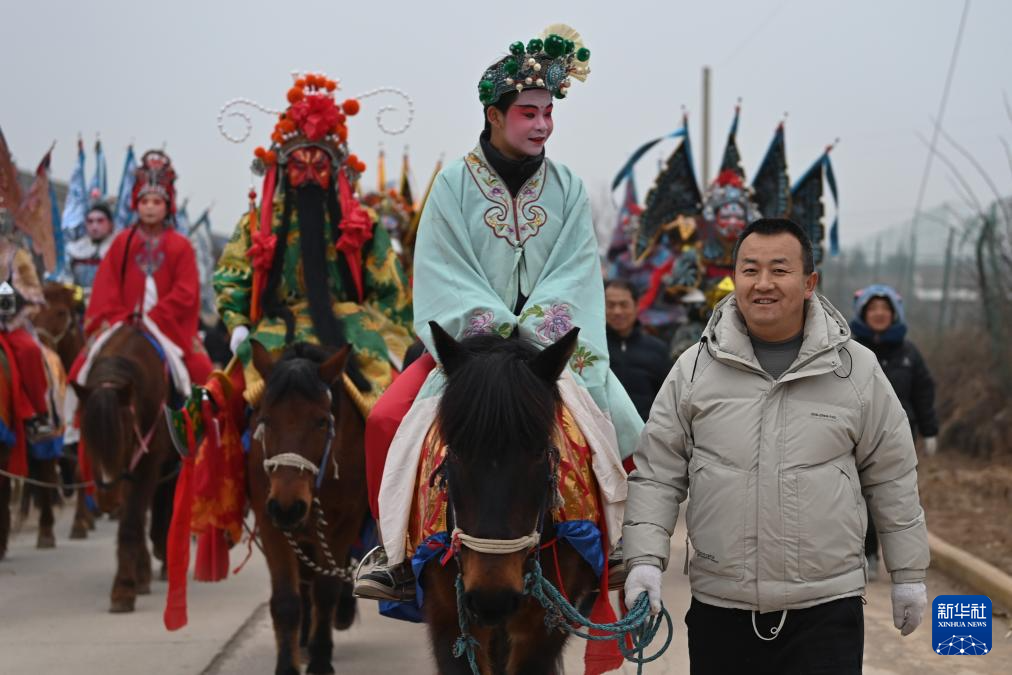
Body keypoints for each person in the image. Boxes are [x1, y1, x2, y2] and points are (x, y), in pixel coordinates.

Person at [357, 25, 640, 602]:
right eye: (528, 112)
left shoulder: (567, 187)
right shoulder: (452, 186)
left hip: (550, 351)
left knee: (627, 422)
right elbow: (442, 272)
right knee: (384, 419)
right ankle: (395, 555)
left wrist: (534, 334)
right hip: (468, 352)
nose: (541, 125)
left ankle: (623, 542)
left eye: (548, 113)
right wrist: (498, 332)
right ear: (494, 114)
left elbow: (575, 271)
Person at [623, 218, 930, 674]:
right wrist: (644, 560)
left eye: (779, 270)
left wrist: (907, 575)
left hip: (826, 608)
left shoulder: (856, 370)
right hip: (721, 608)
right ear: (735, 278)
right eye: (750, 270)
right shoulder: (694, 369)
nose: (763, 283)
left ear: (809, 283)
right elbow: (657, 472)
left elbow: (892, 474)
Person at [77, 150, 213, 387]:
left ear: (167, 205)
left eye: (156, 202)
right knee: (80, 369)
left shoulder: (181, 246)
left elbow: (186, 292)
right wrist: (123, 317)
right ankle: (73, 423)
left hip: (168, 327)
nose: (150, 207)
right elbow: (107, 286)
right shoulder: (122, 241)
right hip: (121, 322)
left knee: (203, 373)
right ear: (135, 204)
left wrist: (153, 318)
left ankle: (205, 424)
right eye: (144, 201)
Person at [851, 283, 938, 579]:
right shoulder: (851, 351)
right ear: (863, 313)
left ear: (894, 314)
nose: (878, 314)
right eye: (872, 309)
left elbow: (923, 393)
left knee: (893, 494)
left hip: (899, 438)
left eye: (884, 310)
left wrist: (930, 432)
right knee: (859, 495)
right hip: (857, 436)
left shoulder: (908, 354)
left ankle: (901, 563)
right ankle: (868, 554)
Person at [0, 209, 56, 442]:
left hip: (9, 324)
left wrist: (12, 314)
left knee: (29, 351)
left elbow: (34, 294)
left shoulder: (16, 255)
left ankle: (37, 414)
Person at [604, 278, 670, 421]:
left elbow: (668, 401)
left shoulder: (657, 349)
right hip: (603, 433)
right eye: (610, 305)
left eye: (624, 305)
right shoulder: (595, 348)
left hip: (645, 433)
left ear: (636, 306)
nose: (617, 311)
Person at [66, 202, 115, 299]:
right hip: (78, 304)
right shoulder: (73, 249)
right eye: (90, 221)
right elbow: (66, 280)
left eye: (100, 221)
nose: (94, 226)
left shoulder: (120, 249)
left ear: (110, 224)